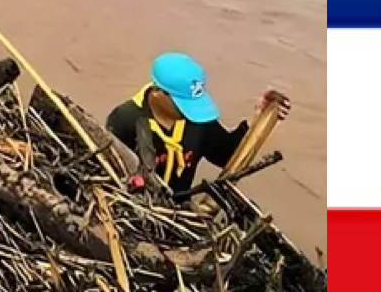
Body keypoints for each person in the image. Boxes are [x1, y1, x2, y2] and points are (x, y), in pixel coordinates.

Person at [105, 53, 291, 195]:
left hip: (178, 212)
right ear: (157, 93)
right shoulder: (124, 121)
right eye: (182, 104)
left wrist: (258, 120)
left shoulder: (197, 121)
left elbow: (226, 156)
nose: (188, 111)